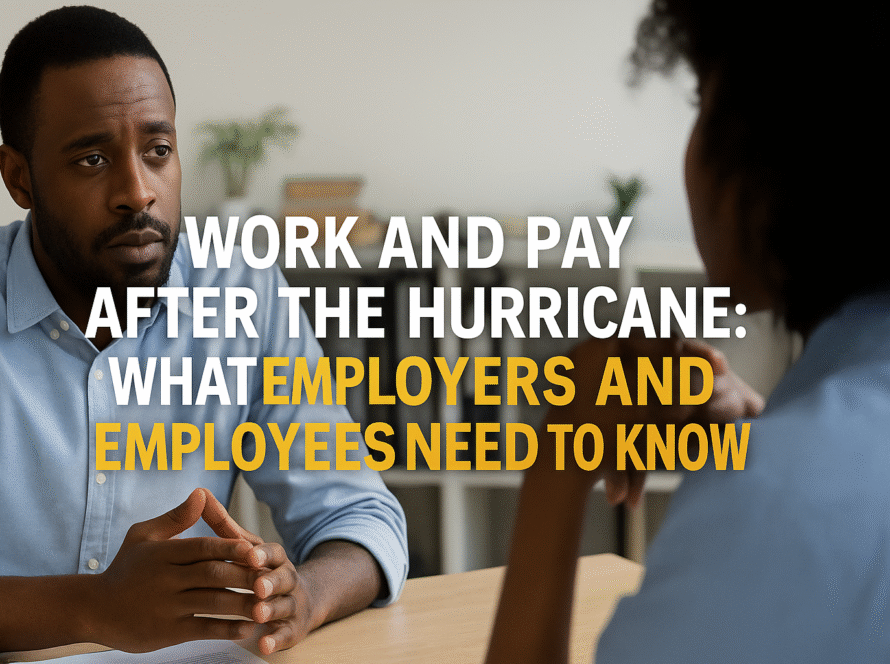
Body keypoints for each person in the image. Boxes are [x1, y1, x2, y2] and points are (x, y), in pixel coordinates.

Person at [486, 1, 889, 662]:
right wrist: (773, 428)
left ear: (770, 144)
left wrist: (559, 460)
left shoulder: (775, 507)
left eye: (703, 101)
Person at [0, 6, 407, 656]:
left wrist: (303, 595)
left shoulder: (244, 294)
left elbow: (359, 517)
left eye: (158, 151)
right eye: (93, 159)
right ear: (20, 178)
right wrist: (92, 608)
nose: (138, 192)